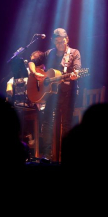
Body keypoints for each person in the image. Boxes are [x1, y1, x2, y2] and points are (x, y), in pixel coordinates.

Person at [29, 28, 81, 162]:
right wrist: (35, 73)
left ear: (67, 39)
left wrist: (75, 75)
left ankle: (66, 155)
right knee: (47, 123)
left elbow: (77, 69)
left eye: (62, 41)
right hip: (51, 94)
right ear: (53, 41)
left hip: (68, 92)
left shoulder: (74, 53)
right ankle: (47, 155)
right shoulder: (49, 54)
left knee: (66, 124)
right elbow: (31, 62)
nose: (59, 44)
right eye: (57, 42)